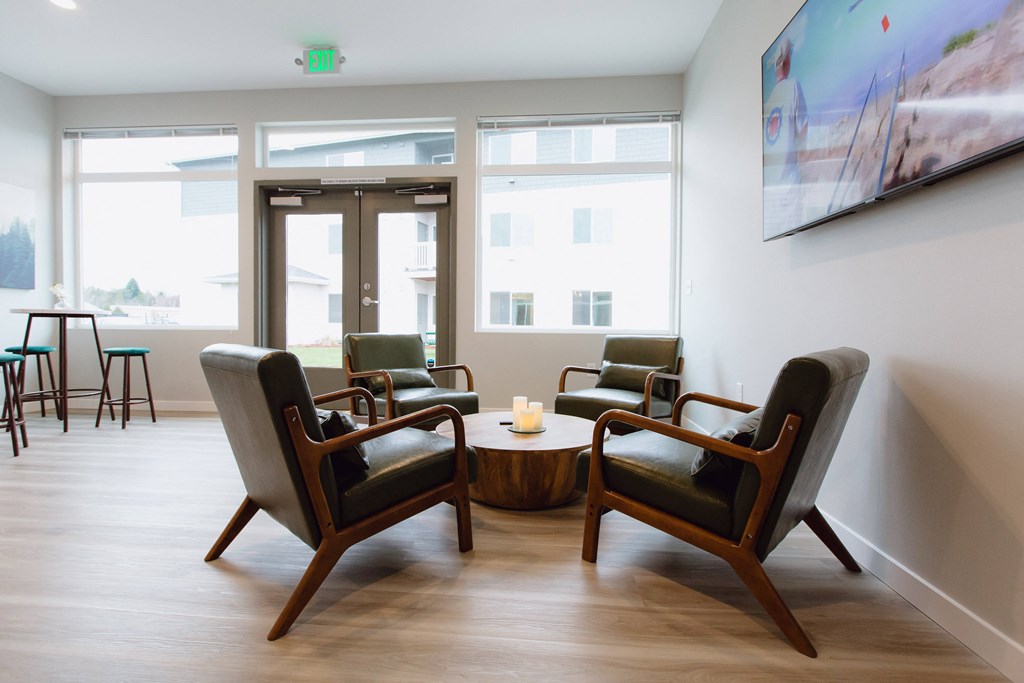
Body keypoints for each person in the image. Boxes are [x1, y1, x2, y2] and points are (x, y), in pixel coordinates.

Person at [763, 37, 810, 237]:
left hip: (769, 199)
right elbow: (804, 130)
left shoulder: (768, 102)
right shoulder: (793, 86)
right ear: (787, 59)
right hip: (788, 190)